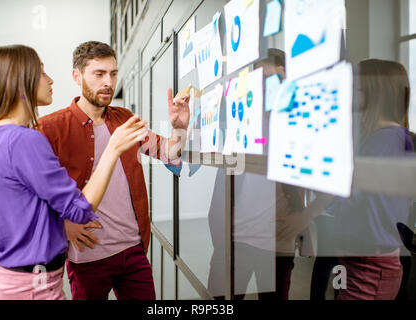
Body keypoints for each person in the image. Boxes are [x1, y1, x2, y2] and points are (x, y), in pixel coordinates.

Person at [0, 44, 148, 300]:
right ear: (20, 82)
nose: (50, 79)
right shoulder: (26, 140)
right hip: (32, 287)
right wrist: (112, 150)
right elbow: (79, 210)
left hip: (1, 277)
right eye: (41, 73)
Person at [38, 41, 190, 300]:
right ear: (77, 76)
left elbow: (169, 152)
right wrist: (61, 225)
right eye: (99, 74)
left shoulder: (124, 118)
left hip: (133, 249)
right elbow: (32, 193)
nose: (108, 81)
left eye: (113, 73)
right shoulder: (50, 128)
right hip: (87, 256)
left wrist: (180, 127)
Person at [278, 59, 414, 300]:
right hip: (365, 262)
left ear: (376, 91)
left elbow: (362, 210)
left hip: (369, 266)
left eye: (356, 86)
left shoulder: (384, 141)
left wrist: (320, 188)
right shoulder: (383, 138)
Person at [207, 49, 302, 300]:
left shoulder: (297, 127)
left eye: (275, 80)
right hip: (233, 242)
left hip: (275, 245)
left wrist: (302, 219)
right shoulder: (239, 124)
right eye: (261, 80)